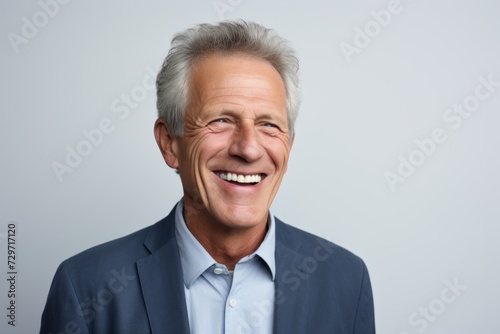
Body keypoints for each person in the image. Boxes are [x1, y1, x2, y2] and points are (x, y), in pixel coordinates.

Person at [40, 20, 375, 334]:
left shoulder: (346, 280)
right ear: (170, 143)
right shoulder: (86, 286)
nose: (248, 148)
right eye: (220, 120)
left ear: (288, 144)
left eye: (268, 125)